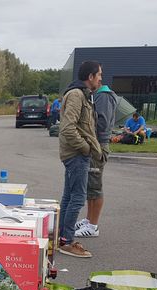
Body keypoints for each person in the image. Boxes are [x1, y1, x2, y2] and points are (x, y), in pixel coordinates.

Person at [57, 60, 103, 258]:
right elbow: (68, 128)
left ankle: (62, 237)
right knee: (77, 198)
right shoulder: (76, 95)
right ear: (90, 76)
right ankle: (67, 241)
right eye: (99, 74)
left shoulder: (84, 95)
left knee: (69, 197)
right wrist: (85, 149)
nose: (101, 78)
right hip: (76, 155)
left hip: (76, 154)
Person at [75, 85, 118, 238]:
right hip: (95, 144)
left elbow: (102, 123)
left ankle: (93, 226)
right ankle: (88, 219)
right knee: (90, 186)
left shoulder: (104, 96)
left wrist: (87, 134)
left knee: (95, 185)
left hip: (98, 145)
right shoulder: (96, 95)